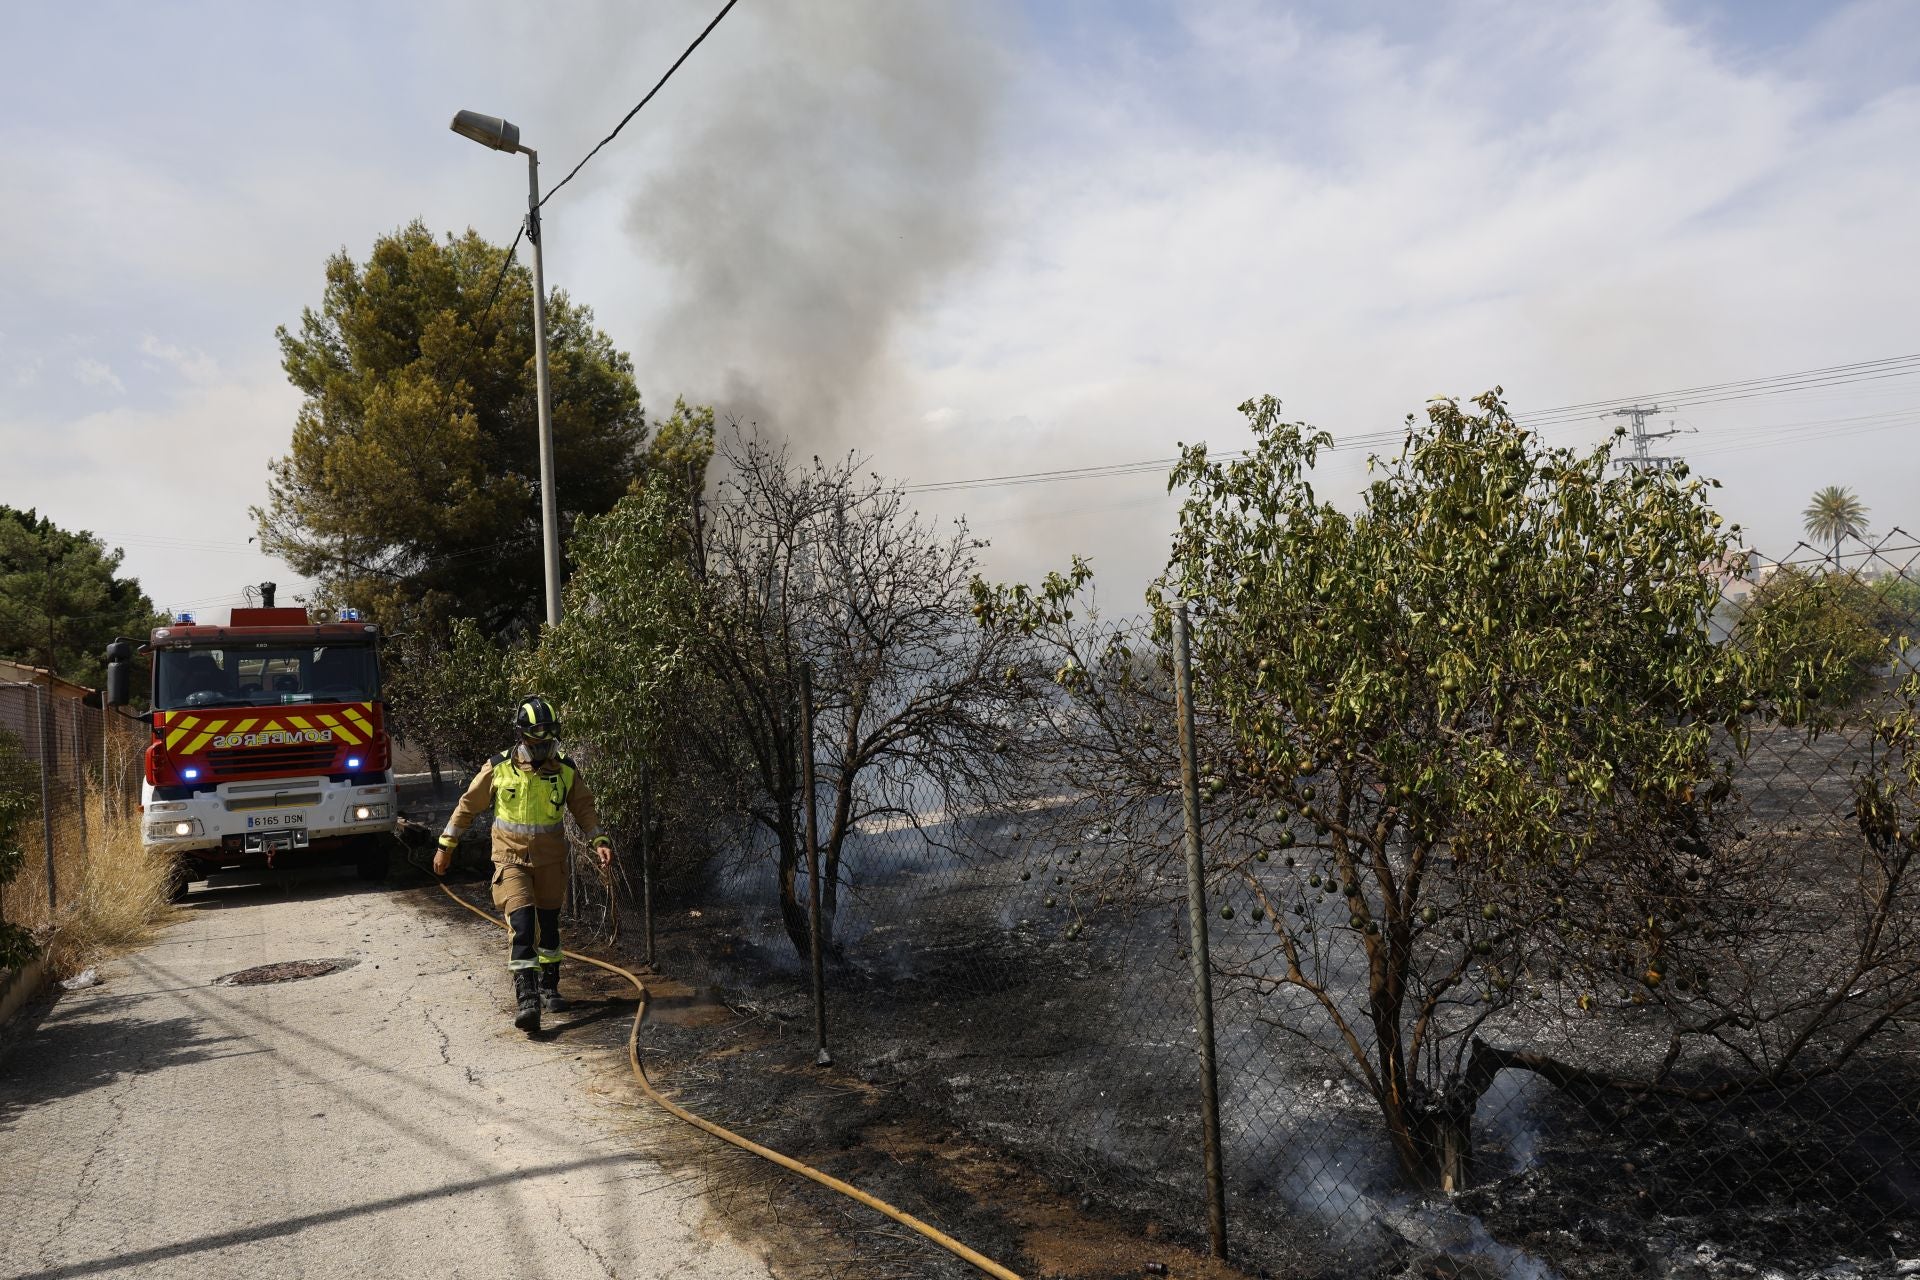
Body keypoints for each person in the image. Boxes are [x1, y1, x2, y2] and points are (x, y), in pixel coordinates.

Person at [433, 696, 612, 1033]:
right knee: (524, 923)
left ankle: (549, 987)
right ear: (522, 737)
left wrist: (599, 840)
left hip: (550, 861)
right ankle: (527, 999)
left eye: (549, 741)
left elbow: (584, 808)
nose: (544, 749)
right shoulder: (499, 767)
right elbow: (467, 807)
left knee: (549, 924)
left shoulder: (565, 771)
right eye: (536, 742)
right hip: (510, 859)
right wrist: (446, 846)